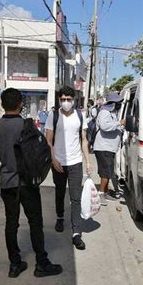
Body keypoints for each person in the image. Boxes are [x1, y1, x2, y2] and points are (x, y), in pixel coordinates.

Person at [0, 88, 62, 278]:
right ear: (20, 104)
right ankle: (41, 263)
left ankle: (14, 264)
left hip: (7, 181)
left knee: (11, 224)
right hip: (27, 182)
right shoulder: (26, 125)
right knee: (35, 222)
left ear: (1, 104)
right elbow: (39, 150)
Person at [45, 86, 92, 250]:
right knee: (59, 191)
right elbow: (48, 140)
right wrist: (53, 159)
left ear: (74, 100)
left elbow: (83, 140)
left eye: (69, 99)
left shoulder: (80, 115)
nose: (66, 102)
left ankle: (76, 233)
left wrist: (87, 161)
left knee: (75, 198)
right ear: (59, 100)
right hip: (58, 162)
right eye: (63, 99)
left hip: (75, 162)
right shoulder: (53, 115)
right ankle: (60, 217)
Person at [93, 92, 126, 205]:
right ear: (112, 103)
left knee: (108, 172)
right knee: (105, 173)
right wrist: (119, 123)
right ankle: (101, 194)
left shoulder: (111, 113)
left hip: (109, 148)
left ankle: (106, 193)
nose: (119, 105)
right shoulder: (104, 112)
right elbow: (105, 126)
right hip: (103, 148)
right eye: (118, 103)